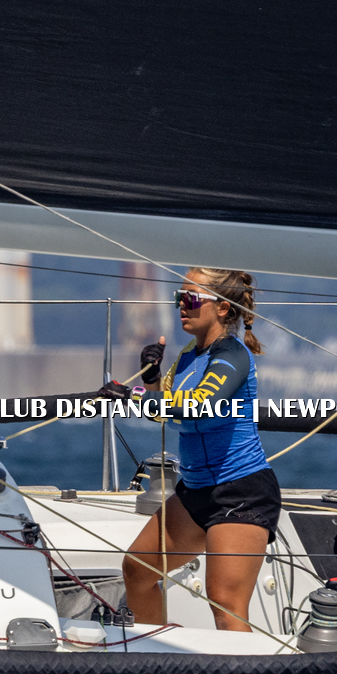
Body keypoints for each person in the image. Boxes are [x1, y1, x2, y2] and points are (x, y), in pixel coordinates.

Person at [122, 269, 279, 632]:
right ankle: (157, 655)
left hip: (240, 491)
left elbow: (198, 407)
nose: (182, 305)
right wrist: (150, 379)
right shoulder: (189, 355)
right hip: (195, 490)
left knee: (225, 604)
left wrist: (135, 395)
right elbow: (166, 412)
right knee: (137, 570)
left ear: (222, 308)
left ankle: (247, 669)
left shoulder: (232, 355)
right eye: (179, 297)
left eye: (191, 298)